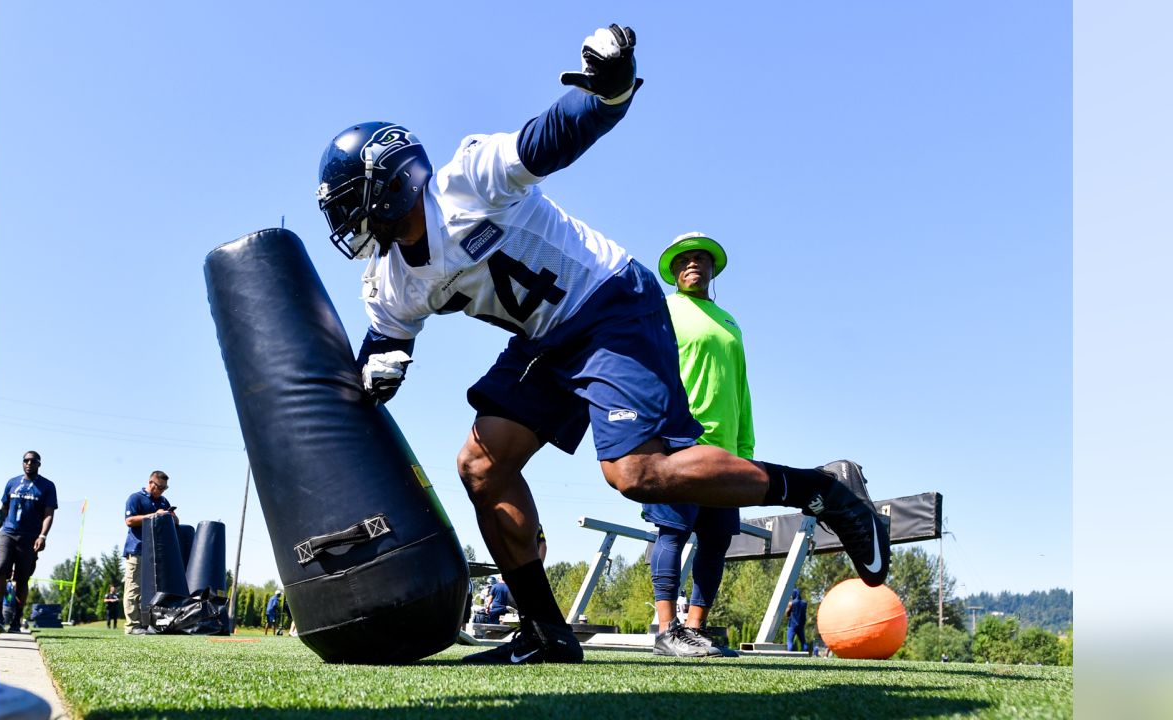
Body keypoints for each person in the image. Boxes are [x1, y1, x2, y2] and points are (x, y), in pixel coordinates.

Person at [315, 22, 889, 665]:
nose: (346, 221)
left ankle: (821, 489)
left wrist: (605, 90)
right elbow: (385, 341)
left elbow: (550, 136)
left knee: (638, 473)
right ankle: (545, 631)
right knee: (481, 465)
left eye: (350, 203)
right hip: (546, 338)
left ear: (389, 183)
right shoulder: (389, 280)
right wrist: (381, 365)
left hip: (610, 301)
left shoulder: (466, 182)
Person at [644, 233, 750, 659]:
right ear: (673, 270)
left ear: (712, 269)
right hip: (679, 440)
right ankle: (666, 629)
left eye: (700, 259)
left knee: (717, 539)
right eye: (684, 259)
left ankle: (694, 629)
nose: (693, 264)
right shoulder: (662, 310)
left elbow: (741, 388)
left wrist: (744, 447)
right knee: (673, 530)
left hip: (724, 448)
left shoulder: (729, 322)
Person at [0, 451, 57, 633]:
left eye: (33, 461)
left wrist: (42, 536)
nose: (29, 463)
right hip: (8, 533)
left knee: (21, 579)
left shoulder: (47, 486)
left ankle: (16, 619)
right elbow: (3, 509)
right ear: (22, 463)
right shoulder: (12, 483)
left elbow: (48, 514)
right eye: (26, 461)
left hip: (29, 537)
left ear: (39, 464)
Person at [122, 471, 176, 635]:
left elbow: (175, 522)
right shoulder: (135, 498)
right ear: (151, 483)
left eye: (165, 488)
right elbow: (129, 521)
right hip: (137, 549)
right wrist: (154, 515)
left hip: (155, 553)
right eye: (160, 487)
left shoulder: (163, 501)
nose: (162, 491)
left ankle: (146, 624)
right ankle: (132, 626)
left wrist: (171, 516)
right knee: (134, 589)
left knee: (151, 591)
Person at [785, 588, 809, 652]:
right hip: (801, 625)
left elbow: (787, 613)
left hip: (792, 625)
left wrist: (788, 614)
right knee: (803, 642)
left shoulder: (791, 603)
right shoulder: (804, 603)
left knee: (790, 641)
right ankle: (806, 655)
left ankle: (789, 656)